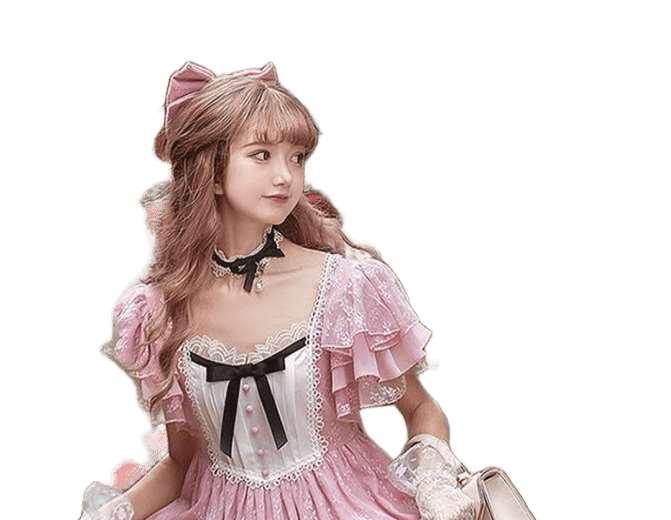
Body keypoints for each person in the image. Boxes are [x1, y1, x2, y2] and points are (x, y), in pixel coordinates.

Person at [79, 61, 475, 520]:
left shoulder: (344, 287)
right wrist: (116, 510)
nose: (286, 175)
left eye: (297, 157)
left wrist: (435, 485)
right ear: (210, 172)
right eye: (262, 154)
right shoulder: (157, 311)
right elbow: (182, 463)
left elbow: (421, 407)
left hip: (345, 506)